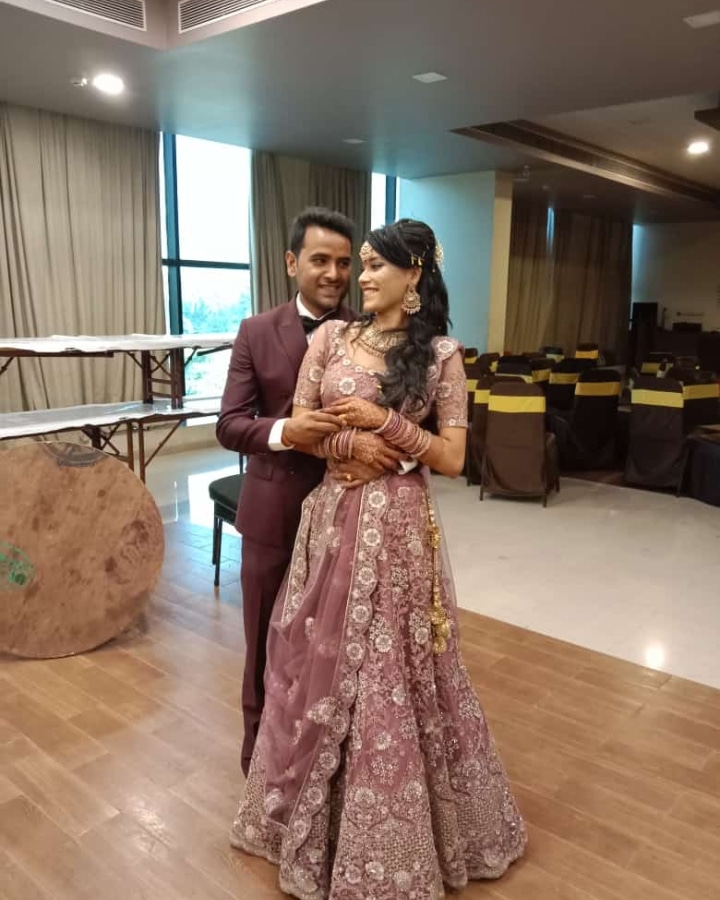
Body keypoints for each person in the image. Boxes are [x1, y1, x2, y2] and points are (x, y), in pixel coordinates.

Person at [230, 219, 527, 898]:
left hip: (399, 529)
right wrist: (348, 446)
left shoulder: (443, 355)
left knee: (394, 670)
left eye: (373, 266)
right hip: (332, 520)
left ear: (413, 274)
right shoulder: (332, 339)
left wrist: (386, 427)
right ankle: (308, 819)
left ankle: (393, 832)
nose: (358, 278)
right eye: (358, 265)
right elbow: (304, 425)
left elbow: (452, 457)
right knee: (315, 661)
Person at [217, 207, 401, 775]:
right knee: (264, 642)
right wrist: (284, 432)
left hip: (348, 515)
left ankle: (324, 766)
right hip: (273, 514)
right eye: (321, 260)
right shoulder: (255, 331)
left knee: (338, 647)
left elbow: (399, 420)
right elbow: (229, 424)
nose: (334, 274)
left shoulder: (372, 331)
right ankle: (258, 763)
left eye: (345, 263)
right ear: (292, 262)